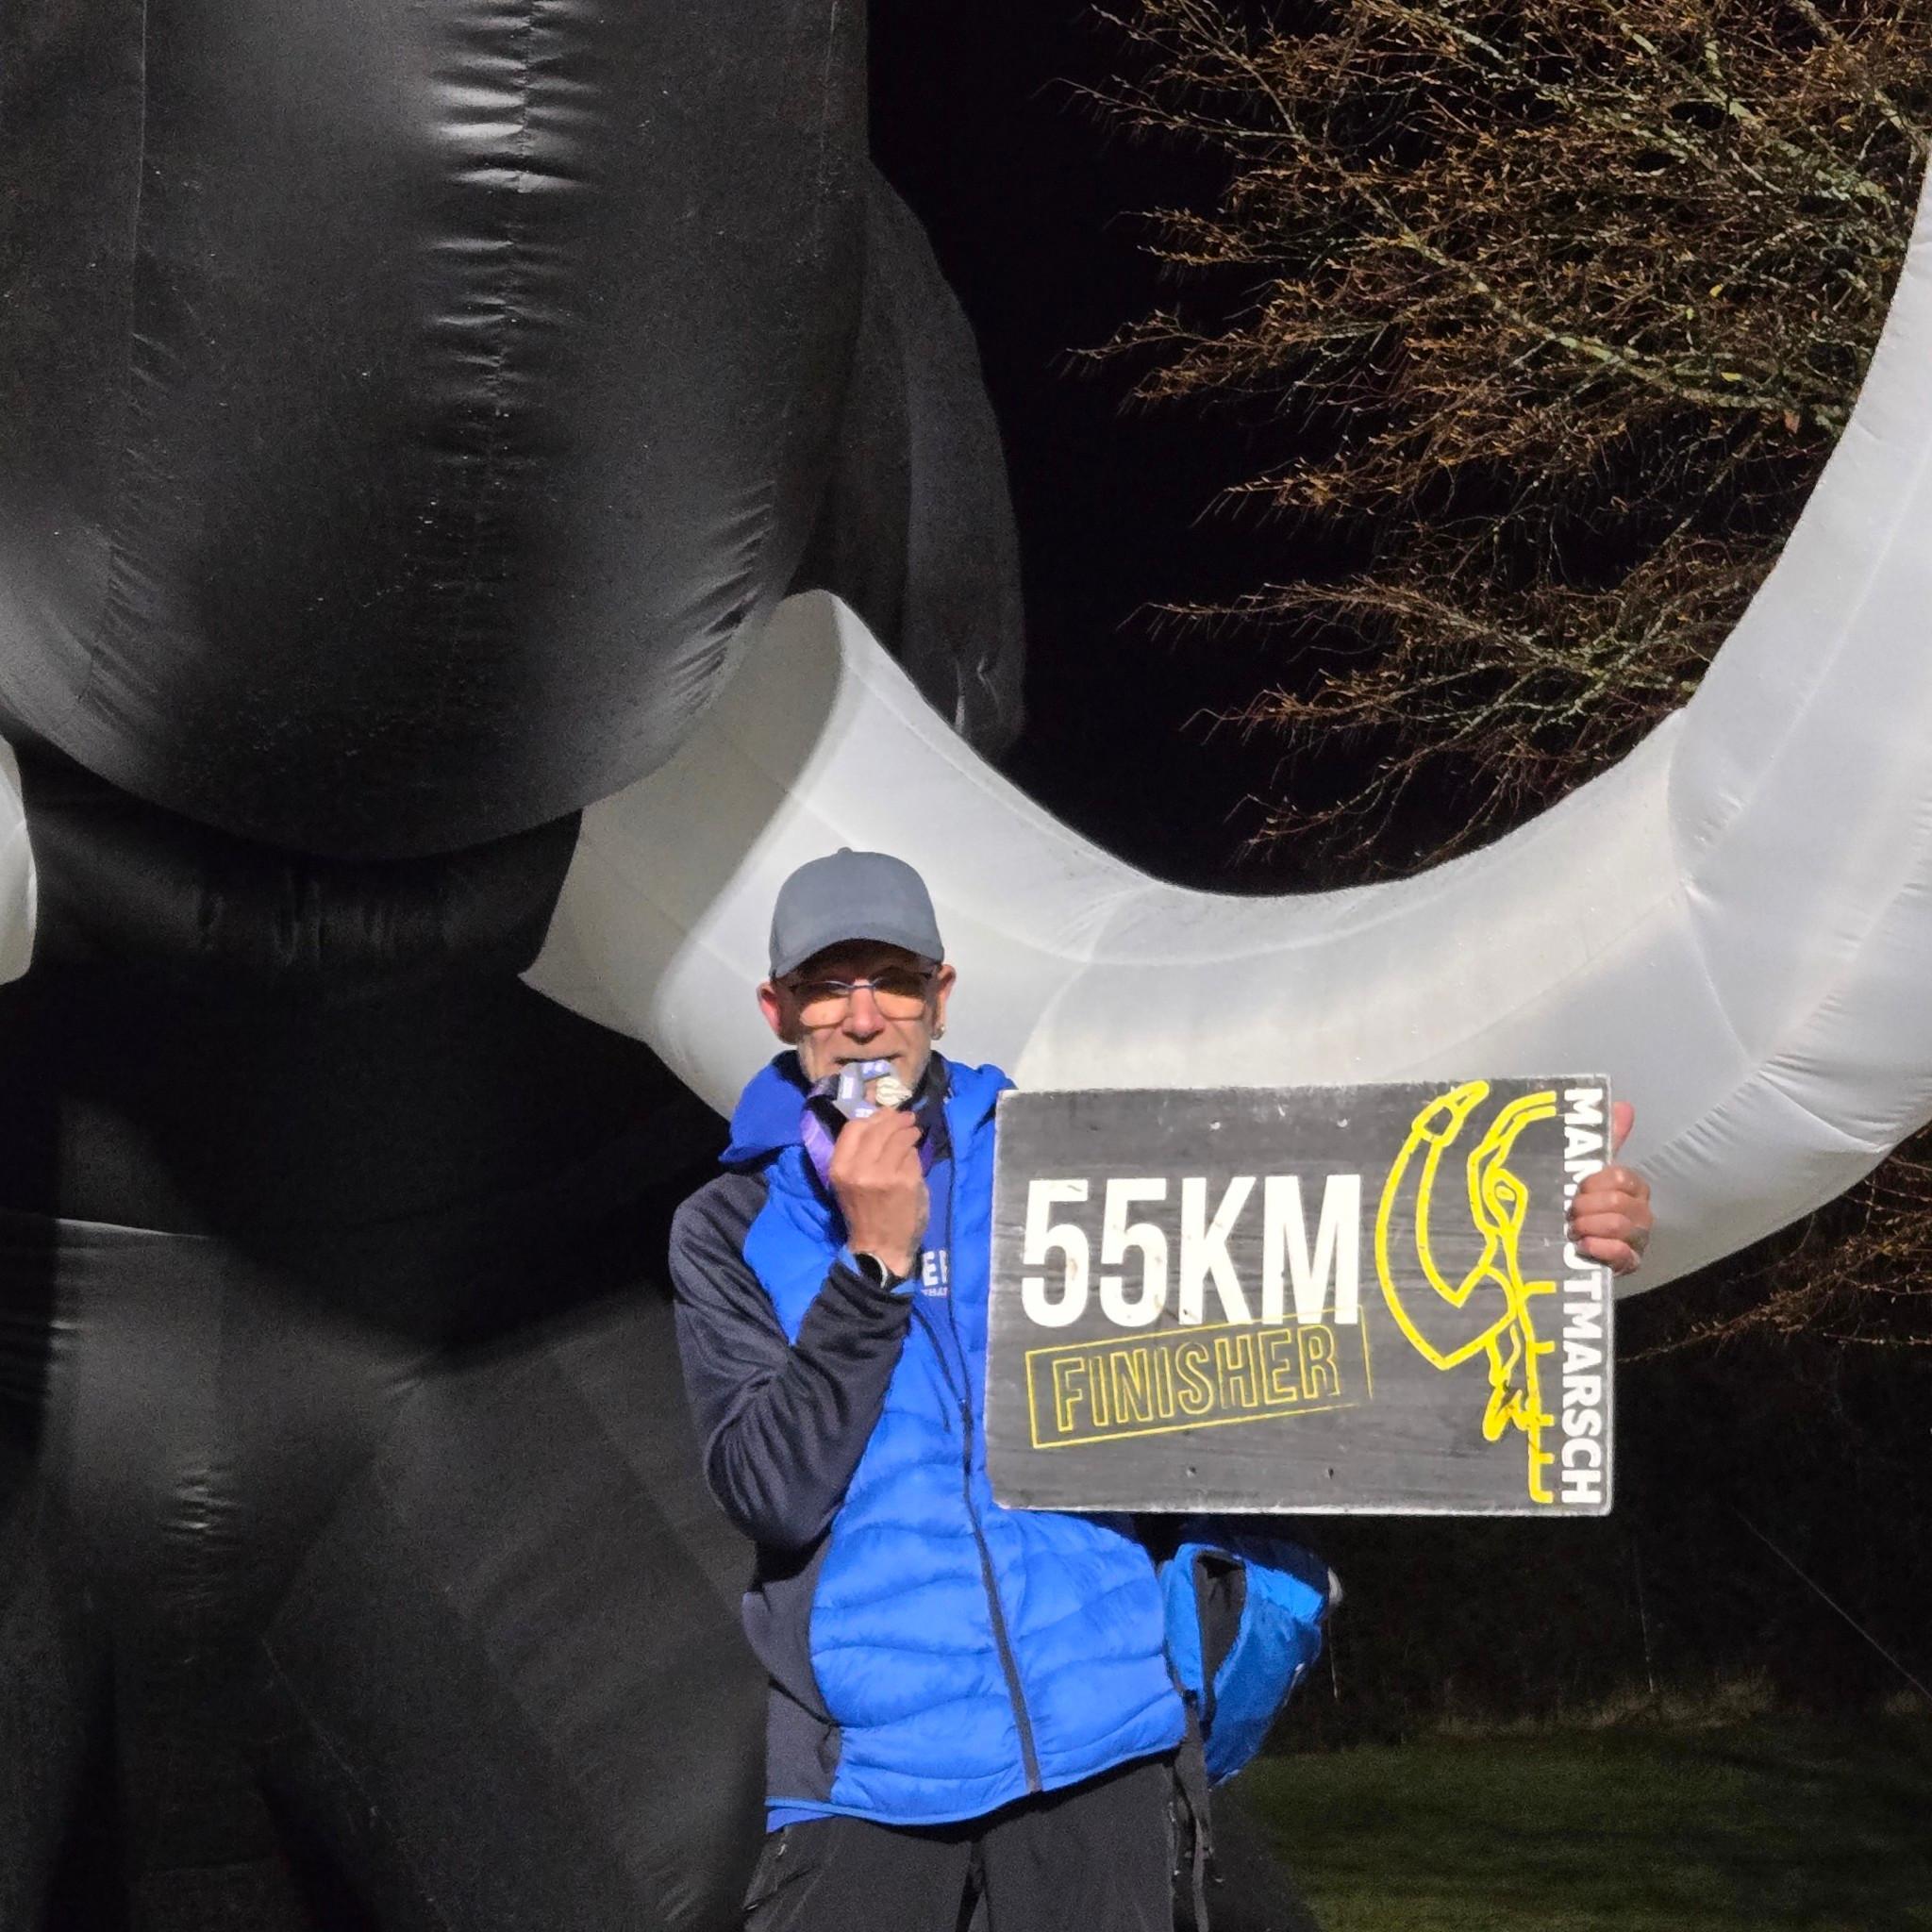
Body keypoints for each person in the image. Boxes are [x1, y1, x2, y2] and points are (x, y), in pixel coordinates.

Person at [668, 849, 1654, 1932]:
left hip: (1104, 1745)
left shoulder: (1076, 1162)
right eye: (827, 983)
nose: (863, 1016)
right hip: (865, 1776)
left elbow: (1337, 1281)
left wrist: (1547, 1235)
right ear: (777, 1008)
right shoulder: (726, 1227)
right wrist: (870, 1264)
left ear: (939, 996)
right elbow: (770, 1491)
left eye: (893, 978)